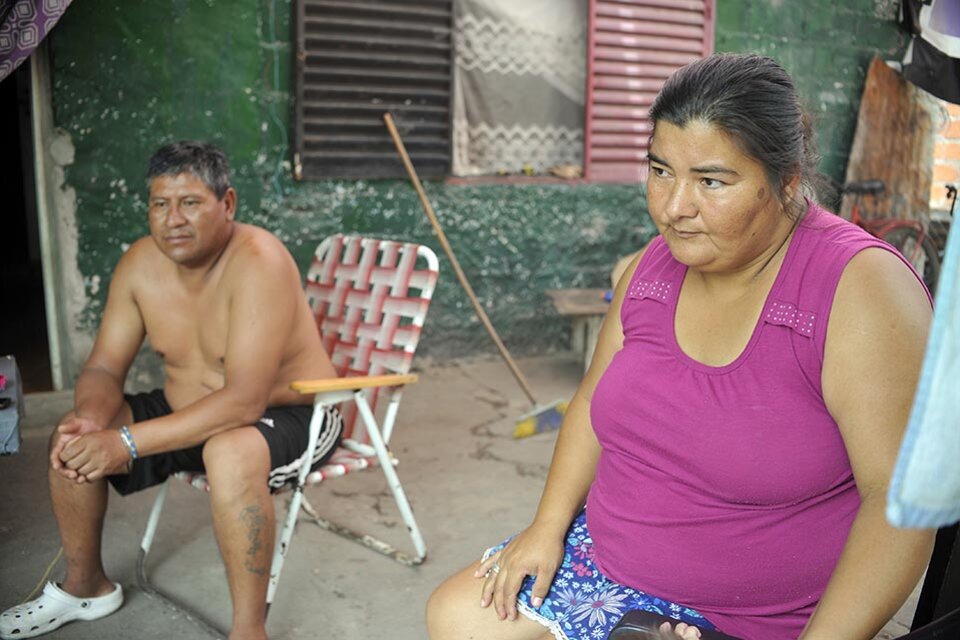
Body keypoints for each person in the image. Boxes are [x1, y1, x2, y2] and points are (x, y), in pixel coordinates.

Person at [426, 54, 937, 640]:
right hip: (606, 565)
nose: (673, 207)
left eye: (711, 182)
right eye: (661, 170)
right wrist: (546, 526)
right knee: (456, 617)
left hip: (753, 614)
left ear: (788, 181)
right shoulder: (651, 268)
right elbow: (592, 402)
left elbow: (897, 504)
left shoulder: (861, 289)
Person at [0, 141, 342, 640]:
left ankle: (250, 632)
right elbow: (101, 366)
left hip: (291, 413)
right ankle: (86, 587)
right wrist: (94, 423)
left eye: (191, 203)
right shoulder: (140, 264)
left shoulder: (258, 259)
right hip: (192, 411)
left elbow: (245, 400)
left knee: (228, 450)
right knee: (71, 435)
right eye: (160, 204)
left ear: (228, 204)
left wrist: (126, 443)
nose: (172, 219)